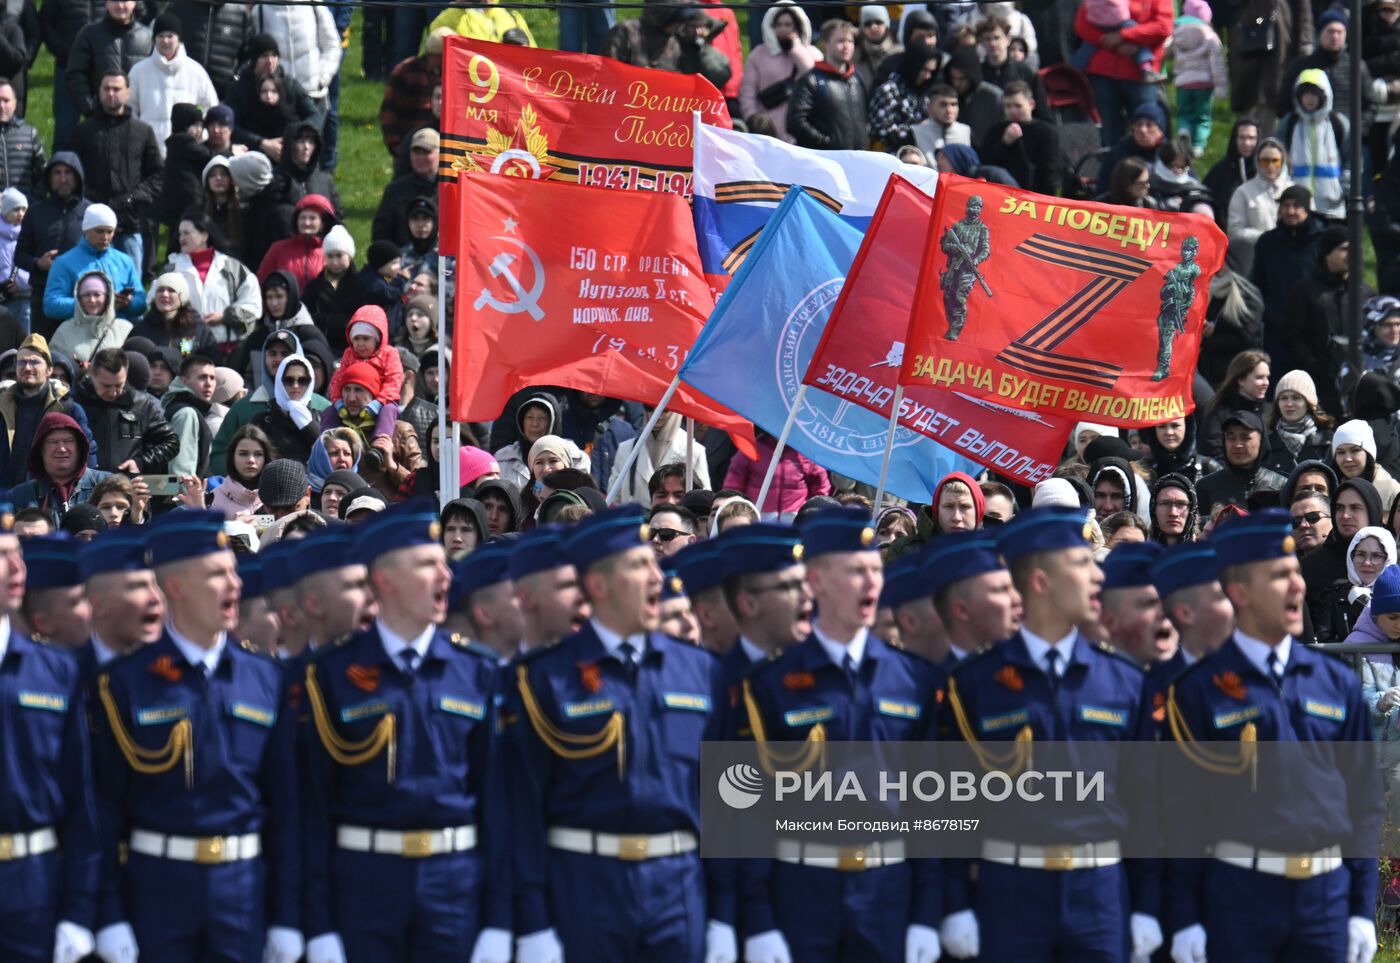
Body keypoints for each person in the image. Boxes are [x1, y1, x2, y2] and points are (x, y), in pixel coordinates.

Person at [504, 504, 725, 962]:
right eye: (639, 566)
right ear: (599, 585)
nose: (656, 578)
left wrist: (728, 915)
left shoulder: (701, 672)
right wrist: (532, 922)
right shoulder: (541, 679)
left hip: (679, 887)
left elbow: (732, 803)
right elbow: (519, 814)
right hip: (582, 886)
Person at [1162, 509, 1381, 963]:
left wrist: (1360, 908)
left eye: (1295, 574)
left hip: (1324, 901)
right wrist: (1185, 917)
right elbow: (1178, 815)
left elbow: (1363, 801)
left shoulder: (1334, 682)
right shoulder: (1197, 690)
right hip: (1238, 900)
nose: (1297, 587)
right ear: (1240, 592)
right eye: (1279, 577)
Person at [939, 508, 1158, 961]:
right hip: (1010, 892)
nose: (1097, 578)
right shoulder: (973, 684)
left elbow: (1148, 803)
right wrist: (954, 904)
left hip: (1100, 891)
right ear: (1040, 582)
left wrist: (1147, 905)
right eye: (1080, 565)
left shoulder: (1124, 680)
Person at [89, 510, 301, 963]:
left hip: (243, 888)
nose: (234, 586)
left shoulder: (267, 680)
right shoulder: (123, 683)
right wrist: (108, 914)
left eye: (232, 574)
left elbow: (288, 810)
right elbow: (102, 813)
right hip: (156, 887)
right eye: (216, 575)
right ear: (177, 587)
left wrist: (287, 913)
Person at [733, 507, 943, 963]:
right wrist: (758, 917)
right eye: (854, 572)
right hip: (802, 892)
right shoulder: (769, 683)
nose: (871, 584)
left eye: (874, 571)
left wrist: (928, 911)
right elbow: (745, 810)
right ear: (816, 581)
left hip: (887, 893)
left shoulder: (913, 679)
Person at [0, 510, 100, 963]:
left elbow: (81, 799)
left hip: (32, 881)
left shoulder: (56, 670)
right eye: (4, 557)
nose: (17, 568)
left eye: (17, 558)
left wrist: (78, 912)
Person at [68, 70, 162, 274]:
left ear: (127, 93)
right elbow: (72, 173)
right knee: (92, 288)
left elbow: (157, 176)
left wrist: (132, 199)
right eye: (106, 89)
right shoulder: (84, 131)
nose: (111, 94)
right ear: (99, 92)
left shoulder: (143, 132)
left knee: (130, 293)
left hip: (130, 223)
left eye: (117, 89)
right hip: (92, 223)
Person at [1283, 227, 1374, 416]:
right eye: (1344, 248)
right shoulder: (1305, 291)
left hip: (1359, 382)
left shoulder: (1365, 292)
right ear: (1327, 253)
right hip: (1320, 385)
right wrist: (1316, 367)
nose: (1351, 254)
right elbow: (1292, 336)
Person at [0, 334, 96, 488]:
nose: (27, 367)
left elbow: (88, 452)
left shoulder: (68, 409)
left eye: (34, 362)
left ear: (49, 369)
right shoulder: (2, 406)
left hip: (50, 497)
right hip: (5, 498)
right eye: (22, 362)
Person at [15, 153, 89, 338]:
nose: (63, 178)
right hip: (43, 294)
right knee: (44, 353)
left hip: (81, 295)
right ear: (49, 177)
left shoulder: (90, 212)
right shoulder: (35, 213)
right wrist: (38, 263)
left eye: (68, 173)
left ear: (77, 176)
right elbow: (20, 255)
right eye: (57, 173)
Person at [72, 346, 178, 475]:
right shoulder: (75, 403)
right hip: (82, 485)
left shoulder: (140, 404)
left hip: (124, 486)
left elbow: (171, 442)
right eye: (106, 386)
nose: (112, 392)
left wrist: (141, 462)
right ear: (92, 374)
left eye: (118, 385)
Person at [1251, 185, 1324, 371]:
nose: (1291, 211)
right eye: (1286, 205)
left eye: (1296, 206)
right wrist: (1269, 313)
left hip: (1313, 328)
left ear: (1307, 208)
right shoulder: (1267, 242)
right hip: (1277, 328)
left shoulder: (1322, 240)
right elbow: (1257, 284)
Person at [126, 11, 217, 156]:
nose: (165, 41)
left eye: (170, 36)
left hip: (186, 152)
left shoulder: (196, 71)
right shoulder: (139, 71)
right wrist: (138, 137)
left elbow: (208, 107)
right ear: (154, 39)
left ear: (179, 39)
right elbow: (128, 108)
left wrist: (199, 127)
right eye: (160, 36)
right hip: (149, 152)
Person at [42, 204, 144, 327]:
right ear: (86, 230)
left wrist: (129, 303)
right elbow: (51, 305)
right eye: (99, 231)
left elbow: (142, 302)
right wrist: (90, 304)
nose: (105, 237)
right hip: (80, 334)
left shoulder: (124, 261)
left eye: (110, 232)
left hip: (119, 333)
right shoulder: (63, 263)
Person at [738, 1, 820, 144]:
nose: (783, 29)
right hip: (769, 130)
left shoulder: (812, 53)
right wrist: (752, 117)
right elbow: (747, 90)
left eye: (788, 25)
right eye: (779, 25)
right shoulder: (758, 54)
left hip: (805, 131)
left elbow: (812, 74)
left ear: (798, 26)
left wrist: (796, 49)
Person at [1276, 69, 1350, 222]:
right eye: (1305, 94)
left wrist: (1344, 188)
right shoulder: (1290, 122)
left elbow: (1351, 158)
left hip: (1332, 203)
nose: (1309, 99)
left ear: (1324, 96)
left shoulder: (1338, 123)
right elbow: (1279, 156)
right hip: (1297, 204)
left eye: (1314, 94)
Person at [788, 19, 868, 151]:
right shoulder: (811, 80)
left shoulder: (856, 78)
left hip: (858, 159)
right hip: (827, 161)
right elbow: (795, 122)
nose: (846, 46)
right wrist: (825, 144)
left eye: (850, 41)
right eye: (840, 41)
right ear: (825, 43)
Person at [64, 0, 152, 119]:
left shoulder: (148, 37)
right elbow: (75, 74)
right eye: (114, 1)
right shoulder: (89, 34)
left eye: (125, 1)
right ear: (106, 3)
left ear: (135, 3)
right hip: (100, 118)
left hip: (138, 119)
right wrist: (88, 107)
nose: (120, 5)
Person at [1195, 411, 1288, 517]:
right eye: (1231, 438)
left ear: (1261, 441)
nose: (1237, 445)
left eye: (1245, 438)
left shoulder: (1281, 486)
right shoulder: (1205, 487)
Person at [979, 80, 1059, 195]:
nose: (1012, 111)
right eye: (1008, 106)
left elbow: (1050, 170)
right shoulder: (997, 130)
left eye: (1018, 106)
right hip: (1002, 195)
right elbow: (985, 163)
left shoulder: (1046, 131)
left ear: (1031, 105)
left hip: (1034, 196)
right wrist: (1004, 143)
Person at [1227, 138, 1291, 275]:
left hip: (1289, 255)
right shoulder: (1243, 192)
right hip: (1255, 258)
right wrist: (1267, 237)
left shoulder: (1293, 190)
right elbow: (1235, 230)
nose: (1270, 165)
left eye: (1275, 160)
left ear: (1282, 162)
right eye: (1265, 160)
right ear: (1257, 162)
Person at [1170, 0, 1226, 157]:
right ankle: (1198, 146)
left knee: (1183, 113)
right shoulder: (1210, 35)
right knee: (1202, 117)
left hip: (1183, 83)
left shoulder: (1177, 33)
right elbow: (1217, 63)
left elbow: (1167, 51)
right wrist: (1221, 87)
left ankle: (1183, 130)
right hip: (1204, 83)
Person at [867, 35, 942, 150]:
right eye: (924, 70)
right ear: (913, 66)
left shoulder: (923, 94)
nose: (928, 76)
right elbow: (879, 130)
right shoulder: (889, 91)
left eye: (931, 72)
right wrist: (913, 132)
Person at [1200, 349, 1272, 460]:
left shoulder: (1271, 411)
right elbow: (1214, 453)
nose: (1266, 383)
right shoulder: (1219, 414)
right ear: (1241, 380)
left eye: (1267, 377)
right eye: (1259, 377)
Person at [1264, 369, 1332, 473]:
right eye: (1283, 398)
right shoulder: (1266, 444)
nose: (1289, 404)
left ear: (1309, 403)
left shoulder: (1328, 440)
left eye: (1296, 398)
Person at [162, 353, 218, 477]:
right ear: (184, 381)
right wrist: (187, 495)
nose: (209, 383)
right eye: (202, 377)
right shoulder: (186, 414)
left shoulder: (182, 408)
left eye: (212, 378)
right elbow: (181, 471)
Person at [1097, 101, 1167, 195]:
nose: (1143, 130)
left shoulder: (1170, 152)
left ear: (1161, 131)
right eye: (1138, 124)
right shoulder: (1118, 152)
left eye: (1149, 125)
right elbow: (1103, 189)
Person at [1332, 420, 1400, 511]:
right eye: (1340, 452)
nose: (1347, 459)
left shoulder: (1393, 494)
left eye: (1355, 450)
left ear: (1369, 454)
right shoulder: (1330, 491)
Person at [1204, 117, 1261, 228]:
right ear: (1234, 139)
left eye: (1251, 138)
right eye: (1242, 138)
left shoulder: (1264, 171)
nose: (1246, 143)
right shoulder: (1219, 171)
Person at [911, 82, 972, 154]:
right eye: (943, 105)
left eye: (953, 104)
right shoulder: (916, 132)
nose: (949, 110)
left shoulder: (965, 131)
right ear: (929, 107)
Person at [854, 4, 900, 90]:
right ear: (862, 28)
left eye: (878, 22)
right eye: (868, 24)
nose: (873, 27)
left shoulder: (900, 52)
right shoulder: (854, 56)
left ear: (886, 24)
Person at [1150, 473, 1199, 544]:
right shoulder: (1139, 552)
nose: (1173, 513)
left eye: (1181, 504)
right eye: (1165, 503)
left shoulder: (1205, 552)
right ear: (1154, 509)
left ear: (1192, 509)